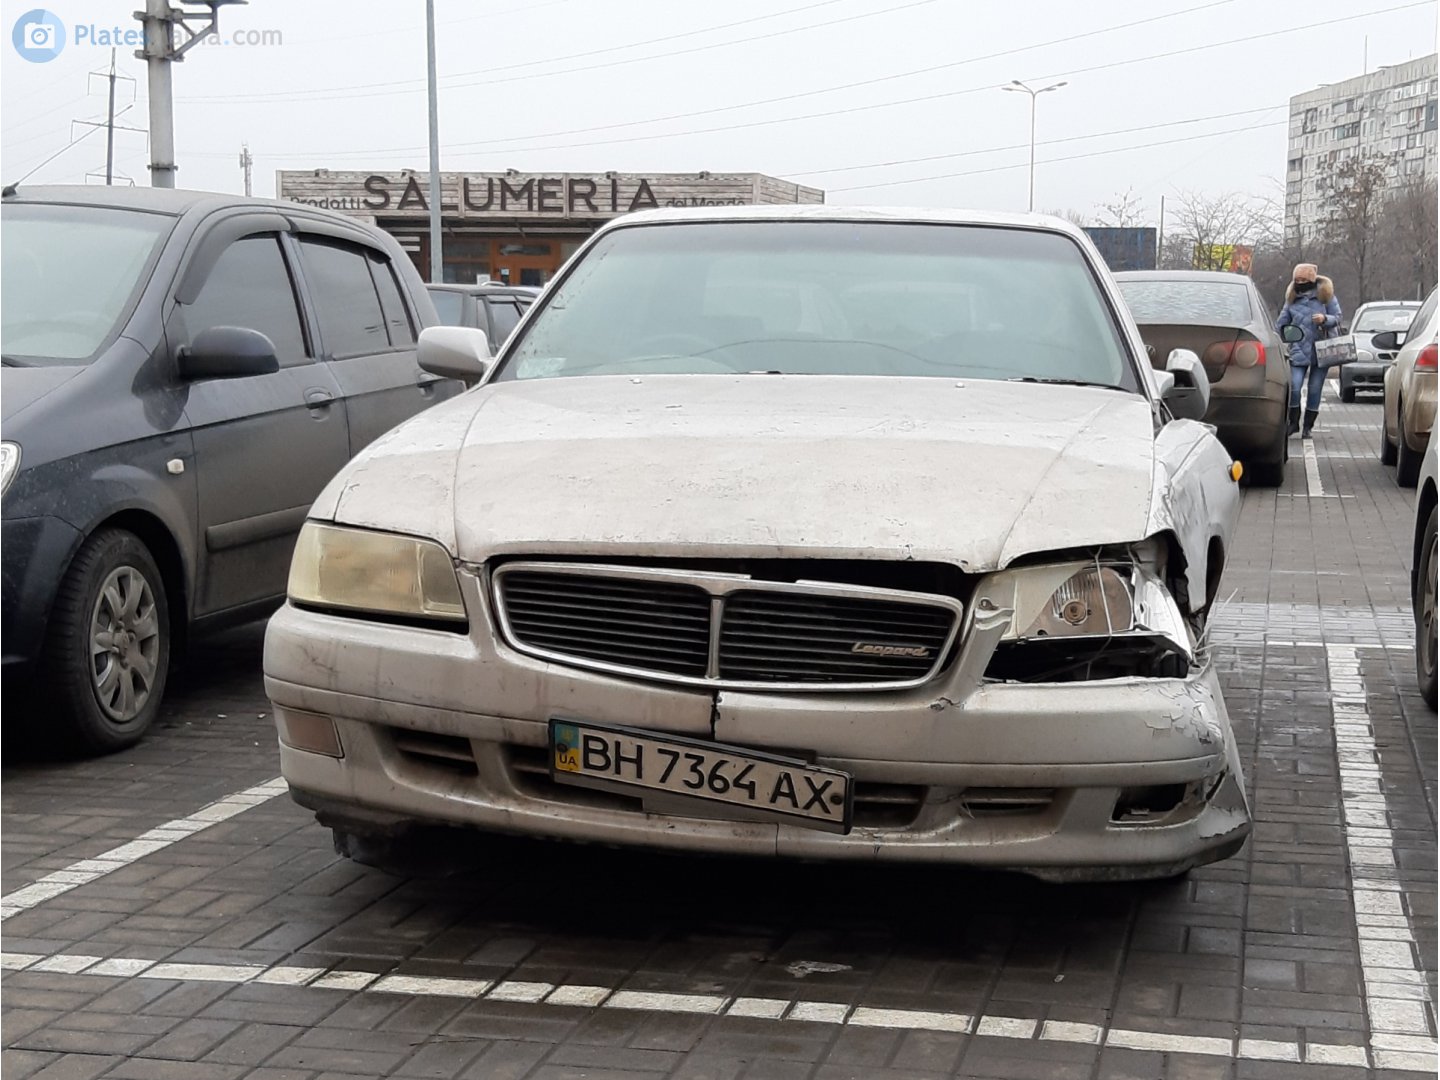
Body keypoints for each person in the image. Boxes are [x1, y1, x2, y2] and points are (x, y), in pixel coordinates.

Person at [1275, 263, 1342, 439]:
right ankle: (1293, 422)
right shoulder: (1292, 298)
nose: (1299, 283)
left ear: (1312, 280)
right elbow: (1281, 323)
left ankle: (1308, 426)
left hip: (1322, 349)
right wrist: (1280, 335)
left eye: (1303, 280)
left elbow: (1337, 317)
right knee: (1295, 387)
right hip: (1298, 348)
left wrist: (1324, 319)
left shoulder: (1326, 295)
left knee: (1314, 389)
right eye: (1297, 280)